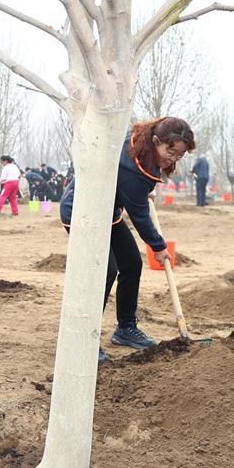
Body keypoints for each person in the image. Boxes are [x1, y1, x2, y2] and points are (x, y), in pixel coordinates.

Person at [61, 117, 195, 363]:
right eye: (170, 151)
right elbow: (140, 216)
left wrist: (145, 189)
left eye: (179, 155)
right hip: (81, 213)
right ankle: (84, 339)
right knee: (106, 270)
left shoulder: (140, 145)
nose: (173, 159)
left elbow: (132, 189)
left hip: (106, 213)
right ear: (156, 140)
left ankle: (125, 329)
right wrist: (159, 247)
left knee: (132, 263)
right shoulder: (132, 168)